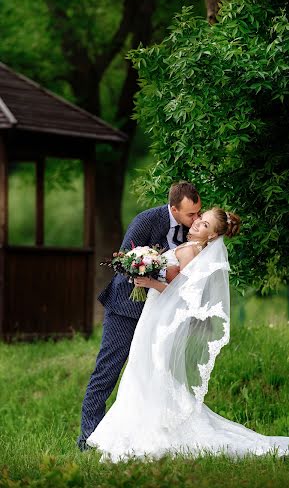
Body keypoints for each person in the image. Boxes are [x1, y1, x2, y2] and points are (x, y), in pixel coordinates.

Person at [86, 208, 289, 461]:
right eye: (200, 219)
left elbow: (183, 300)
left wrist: (150, 283)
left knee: (146, 371)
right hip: (153, 317)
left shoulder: (190, 252)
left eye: (204, 225)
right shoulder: (189, 246)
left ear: (211, 237)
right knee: (142, 370)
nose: (197, 223)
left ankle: (151, 430)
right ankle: (139, 425)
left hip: (159, 320)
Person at [77, 181, 202, 451]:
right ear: (173, 208)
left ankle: (151, 437)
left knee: (155, 375)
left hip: (161, 314)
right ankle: (88, 437)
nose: (196, 219)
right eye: (191, 214)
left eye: (198, 213)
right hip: (126, 308)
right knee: (108, 370)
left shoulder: (192, 232)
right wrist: (157, 273)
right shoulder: (146, 220)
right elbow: (123, 262)